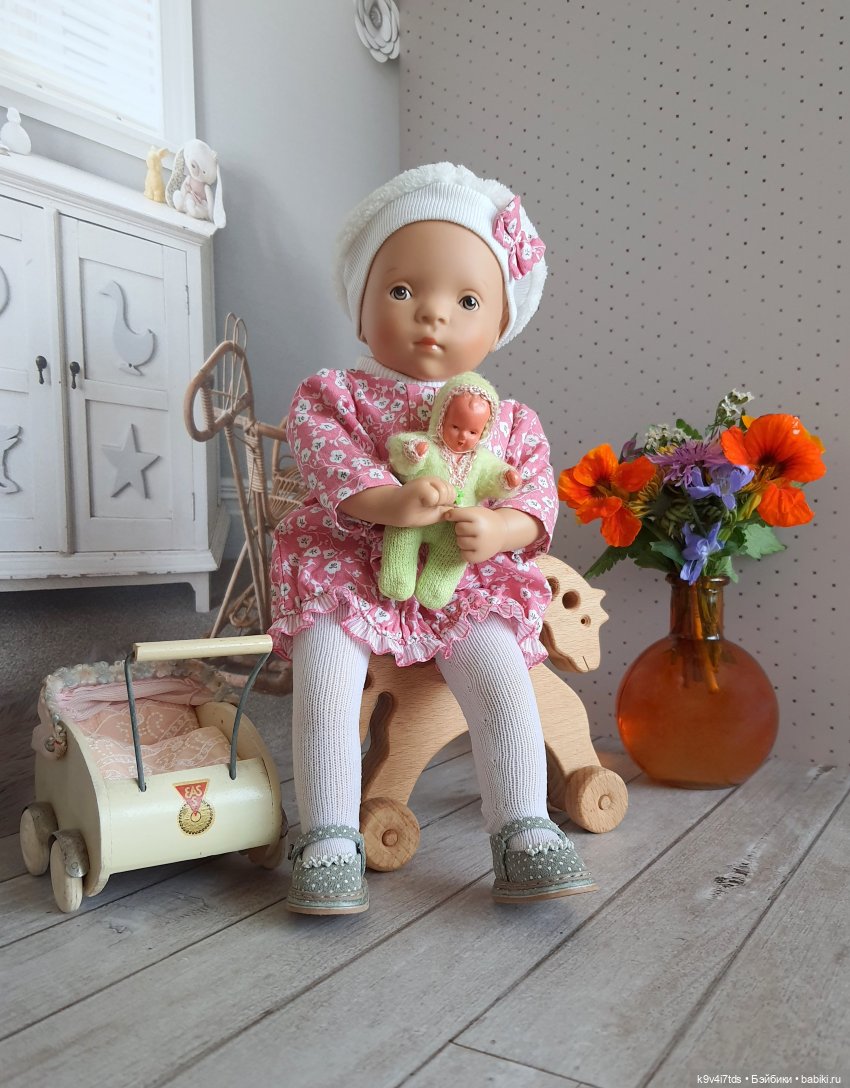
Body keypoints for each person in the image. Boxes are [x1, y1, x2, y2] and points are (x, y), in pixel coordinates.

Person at [269, 163, 596, 915]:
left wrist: (501, 527)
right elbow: (328, 465)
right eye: (401, 290)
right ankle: (327, 837)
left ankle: (523, 828)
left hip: (461, 577)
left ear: (499, 324)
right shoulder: (335, 395)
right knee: (326, 670)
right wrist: (391, 500)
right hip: (351, 567)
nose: (432, 314)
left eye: (467, 300)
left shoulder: (511, 421)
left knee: (503, 674)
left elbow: (534, 496)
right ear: (360, 310)